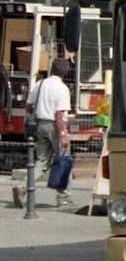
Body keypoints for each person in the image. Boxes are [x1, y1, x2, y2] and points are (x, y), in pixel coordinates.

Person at [30, 59, 73, 206]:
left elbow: (28, 105)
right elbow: (59, 115)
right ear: (66, 72)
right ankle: (63, 197)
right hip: (55, 126)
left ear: (52, 69)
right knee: (63, 160)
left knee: (41, 161)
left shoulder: (40, 84)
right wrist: (62, 135)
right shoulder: (62, 88)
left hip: (40, 125)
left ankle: (23, 187)